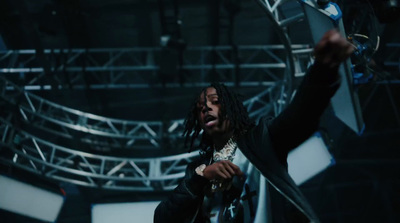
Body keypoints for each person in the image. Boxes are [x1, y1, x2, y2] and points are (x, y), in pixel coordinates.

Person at [154, 29, 354, 223]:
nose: (206, 108)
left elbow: (299, 117)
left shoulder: (259, 141)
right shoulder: (197, 171)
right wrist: (201, 177)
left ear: (232, 109)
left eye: (215, 101)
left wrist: (322, 71)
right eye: (200, 107)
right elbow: (162, 218)